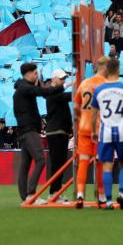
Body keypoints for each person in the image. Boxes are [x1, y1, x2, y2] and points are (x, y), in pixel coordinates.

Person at [13, 63, 70, 203]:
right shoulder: (25, 88)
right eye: (35, 73)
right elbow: (44, 92)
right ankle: (31, 194)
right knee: (40, 160)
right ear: (28, 73)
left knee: (25, 165)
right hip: (28, 129)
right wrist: (66, 86)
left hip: (26, 130)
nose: (37, 75)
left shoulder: (22, 88)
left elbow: (40, 91)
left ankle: (26, 197)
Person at [90, 58, 123, 210]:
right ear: (118, 70)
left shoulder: (99, 90)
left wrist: (93, 131)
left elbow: (93, 113)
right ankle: (121, 194)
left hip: (106, 132)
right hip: (122, 131)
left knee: (107, 166)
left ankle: (109, 201)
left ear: (106, 70)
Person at [74, 56, 108, 208]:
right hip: (101, 128)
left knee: (83, 161)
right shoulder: (106, 85)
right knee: (100, 163)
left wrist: (82, 117)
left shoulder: (84, 83)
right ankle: (101, 196)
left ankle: (80, 195)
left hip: (84, 127)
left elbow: (75, 106)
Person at [43, 69, 73, 202]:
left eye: (64, 78)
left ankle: (56, 192)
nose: (63, 80)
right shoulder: (51, 92)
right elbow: (67, 96)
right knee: (57, 163)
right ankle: (53, 192)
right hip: (56, 132)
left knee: (59, 163)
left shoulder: (56, 93)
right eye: (61, 78)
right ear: (54, 79)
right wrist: (79, 88)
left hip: (60, 132)